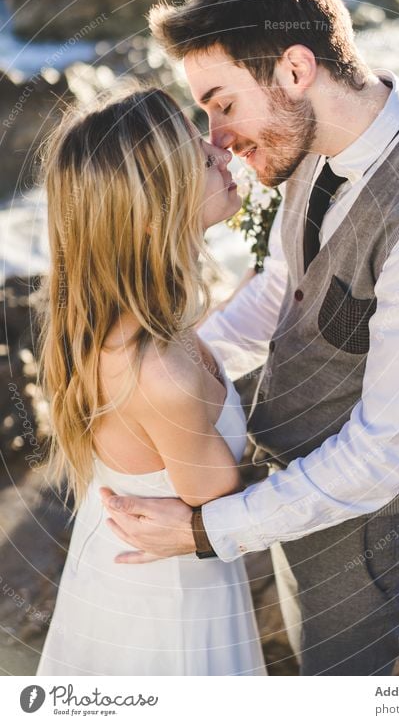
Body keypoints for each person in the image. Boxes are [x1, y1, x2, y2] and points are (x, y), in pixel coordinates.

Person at [101, 0, 399, 676]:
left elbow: (381, 456)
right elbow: (281, 286)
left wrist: (205, 529)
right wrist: (159, 366)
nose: (217, 137)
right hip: (292, 489)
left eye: (223, 103)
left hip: (365, 537)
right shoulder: (312, 145)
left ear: (294, 70)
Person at [35, 84, 267, 676]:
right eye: (196, 153)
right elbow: (228, 506)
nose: (221, 150)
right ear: (151, 214)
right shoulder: (159, 373)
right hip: (172, 614)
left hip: (122, 583)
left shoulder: (115, 326)